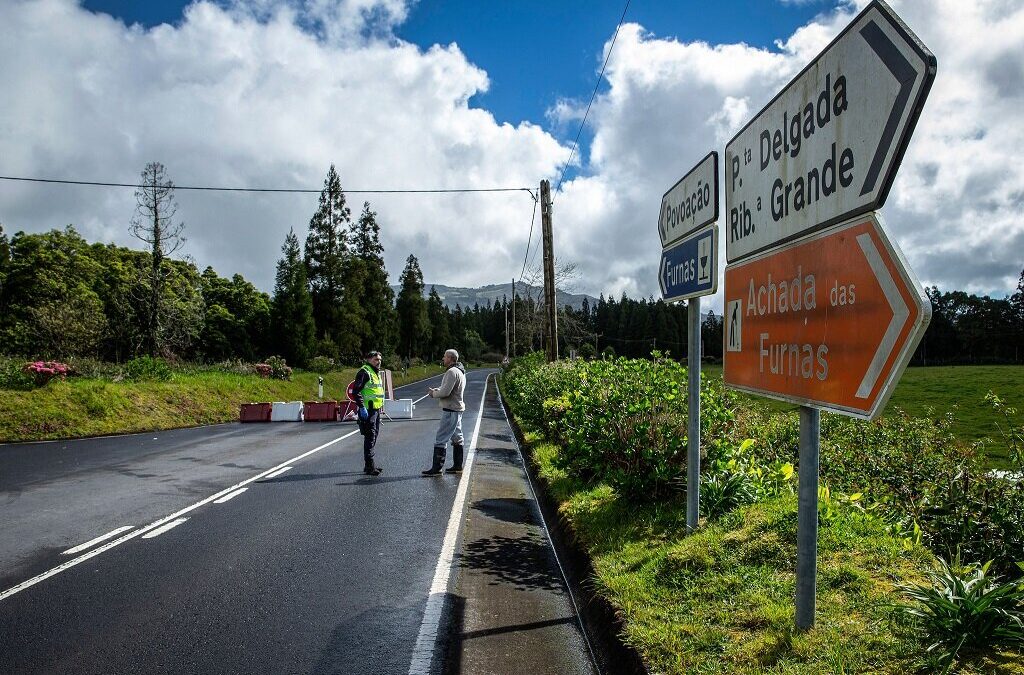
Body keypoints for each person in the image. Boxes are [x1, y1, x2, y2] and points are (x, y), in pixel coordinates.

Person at [422, 348, 467, 476]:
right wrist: (438, 389)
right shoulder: (460, 371)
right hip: (457, 409)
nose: (443, 358)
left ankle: (436, 469)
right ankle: (458, 466)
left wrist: (433, 393)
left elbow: (446, 392)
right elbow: (450, 388)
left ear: (451, 358)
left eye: (445, 357)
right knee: (458, 438)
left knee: (441, 438)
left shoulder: (452, 372)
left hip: (451, 409)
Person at [352, 350, 385, 476]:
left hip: (375, 410)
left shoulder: (375, 372)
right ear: (369, 359)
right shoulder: (364, 372)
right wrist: (361, 407)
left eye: (380, 360)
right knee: (370, 437)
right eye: (376, 360)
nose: (379, 362)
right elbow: (356, 391)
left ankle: (369, 465)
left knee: (374, 435)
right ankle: (370, 466)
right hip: (368, 410)